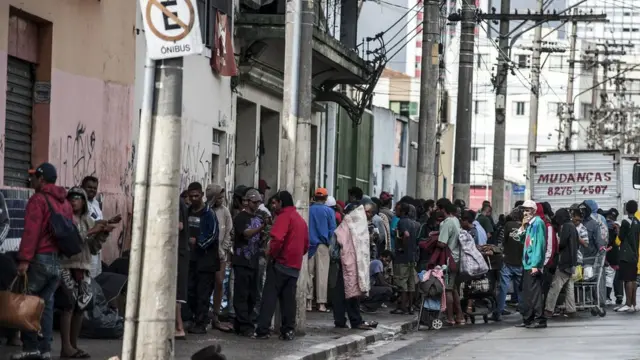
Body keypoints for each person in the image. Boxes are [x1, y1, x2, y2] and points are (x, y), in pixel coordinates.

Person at [12, 163, 71, 360]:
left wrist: (24, 260)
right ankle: (45, 349)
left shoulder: (38, 200)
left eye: (34, 177)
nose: (31, 180)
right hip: (57, 261)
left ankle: (30, 348)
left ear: (42, 179)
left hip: (39, 259)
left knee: (29, 302)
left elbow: (31, 232)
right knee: (45, 305)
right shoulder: (64, 203)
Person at [58, 187, 114, 358]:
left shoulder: (88, 220)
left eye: (77, 198)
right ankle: (65, 347)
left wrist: (102, 234)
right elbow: (70, 241)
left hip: (84, 268)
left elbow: (93, 248)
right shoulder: (64, 219)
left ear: (83, 202)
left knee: (81, 307)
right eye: (71, 198)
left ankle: (74, 345)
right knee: (67, 307)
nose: (74, 201)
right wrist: (93, 231)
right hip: (67, 266)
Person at [255, 191, 309, 340]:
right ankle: (288, 330)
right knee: (288, 300)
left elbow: (277, 239)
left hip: (281, 263)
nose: (273, 206)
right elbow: (305, 245)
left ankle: (263, 329)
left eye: (275, 203)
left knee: (269, 297)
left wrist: (271, 253)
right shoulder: (300, 220)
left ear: (281, 203)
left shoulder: (284, 217)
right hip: (294, 266)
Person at [186, 182, 220, 334]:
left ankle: (201, 322)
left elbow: (213, 234)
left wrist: (198, 242)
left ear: (201, 195)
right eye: (191, 196)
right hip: (191, 260)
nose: (194, 199)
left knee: (203, 292)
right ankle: (194, 318)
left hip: (206, 261)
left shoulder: (209, 214)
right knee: (190, 290)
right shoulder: (187, 212)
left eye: (196, 196)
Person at [232, 189, 265, 336]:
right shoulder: (240, 218)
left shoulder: (259, 217)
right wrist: (261, 228)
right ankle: (244, 324)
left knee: (252, 295)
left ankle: (242, 323)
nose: (257, 205)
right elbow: (245, 233)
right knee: (241, 294)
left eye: (259, 202)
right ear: (247, 202)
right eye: (254, 202)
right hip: (241, 261)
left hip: (254, 261)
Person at [205, 184, 234, 332]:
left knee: (219, 283)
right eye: (219, 197)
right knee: (205, 284)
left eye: (223, 197)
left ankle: (215, 315)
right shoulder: (206, 211)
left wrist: (223, 249)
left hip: (220, 255)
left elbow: (228, 231)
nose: (221, 200)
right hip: (206, 254)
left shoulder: (225, 212)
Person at [515, 200, 547, 329]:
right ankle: (528, 318)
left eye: (528, 210)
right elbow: (521, 239)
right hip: (527, 263)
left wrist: (536, 264)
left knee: (534, 293)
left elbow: (539, 244)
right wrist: (523, 226)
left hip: (532, 263)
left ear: (534, 211)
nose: (525, 212)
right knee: (527, 293)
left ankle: (540, 319)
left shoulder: (538, 223)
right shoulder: (529, 224)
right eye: (524, 210)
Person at [544, 208, 578, 318]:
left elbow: (562, 243)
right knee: (569, 286)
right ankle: (571, 309)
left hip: (564, 262)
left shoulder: (566, 226)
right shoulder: (573, 226)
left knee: (555, 286)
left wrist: (556, 244)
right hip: (572, 262)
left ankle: (548, 310)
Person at [307, 188, 336, 313]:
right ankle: (321, 304)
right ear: (325, 198)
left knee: (308, 274)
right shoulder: (329, 211)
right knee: (322, 275)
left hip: (309, 245)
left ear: (314, 197)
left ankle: (308, 302)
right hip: (323, 245)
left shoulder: (308, 209)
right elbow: (332, 230)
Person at [437, 200, 464, 325]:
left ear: (443, 210)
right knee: (454, 289)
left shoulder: (447, 223)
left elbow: (442, 243)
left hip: (448, 260)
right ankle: (459, 315)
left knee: (448, 289)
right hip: (457, 259)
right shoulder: (456, 221)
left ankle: (450, 318)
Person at [390, 202, 419, 315]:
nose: (395, 211)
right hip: (411, 257)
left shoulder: (401, 222)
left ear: (402, 211)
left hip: (402, 258)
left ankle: (402, 307)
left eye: (397, 209)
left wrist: (402, 246)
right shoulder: (413, 223)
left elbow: (406, 235)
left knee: (402, 283)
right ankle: (410, 307)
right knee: (411, 283)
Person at [497, 208, 524, 317]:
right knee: (520, 289)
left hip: (508, 261)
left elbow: (502, 243)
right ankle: (523, 311)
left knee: (503, 287)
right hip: (521, 262)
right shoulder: (526, 226)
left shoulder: (508, 225)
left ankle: (499, 311)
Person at [614, 200, 640, 312]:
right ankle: (634, 304)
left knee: (627, 279)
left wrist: (618, 231)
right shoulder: (637, 221)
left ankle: (627, 304)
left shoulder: (625, 222)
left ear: (626, 209)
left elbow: (619, 240)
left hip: (626, 254)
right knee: (633, 279)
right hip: (634, 253)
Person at [176, 196, 190, 339]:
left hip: (178, 252)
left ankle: (179, 326)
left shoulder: (175, 201)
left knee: (176, 291)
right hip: (180, 251)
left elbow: (179, 226)